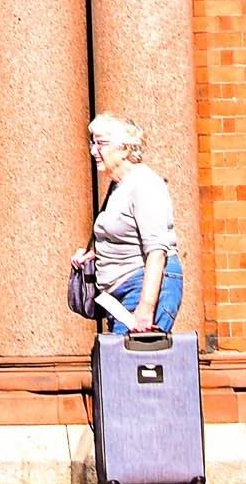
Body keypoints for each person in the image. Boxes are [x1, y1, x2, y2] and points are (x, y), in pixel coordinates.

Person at [74, 112, 182, 335]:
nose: (94, 150)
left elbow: (157, 250)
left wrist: (145, 308)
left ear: (124, 149)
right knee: (121, 364)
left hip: (142, 289)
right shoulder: (118, 186)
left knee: (130, 364)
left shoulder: (144, 183)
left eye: (101, 143)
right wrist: (96, 255)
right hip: (120, 296)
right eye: (92, 142)